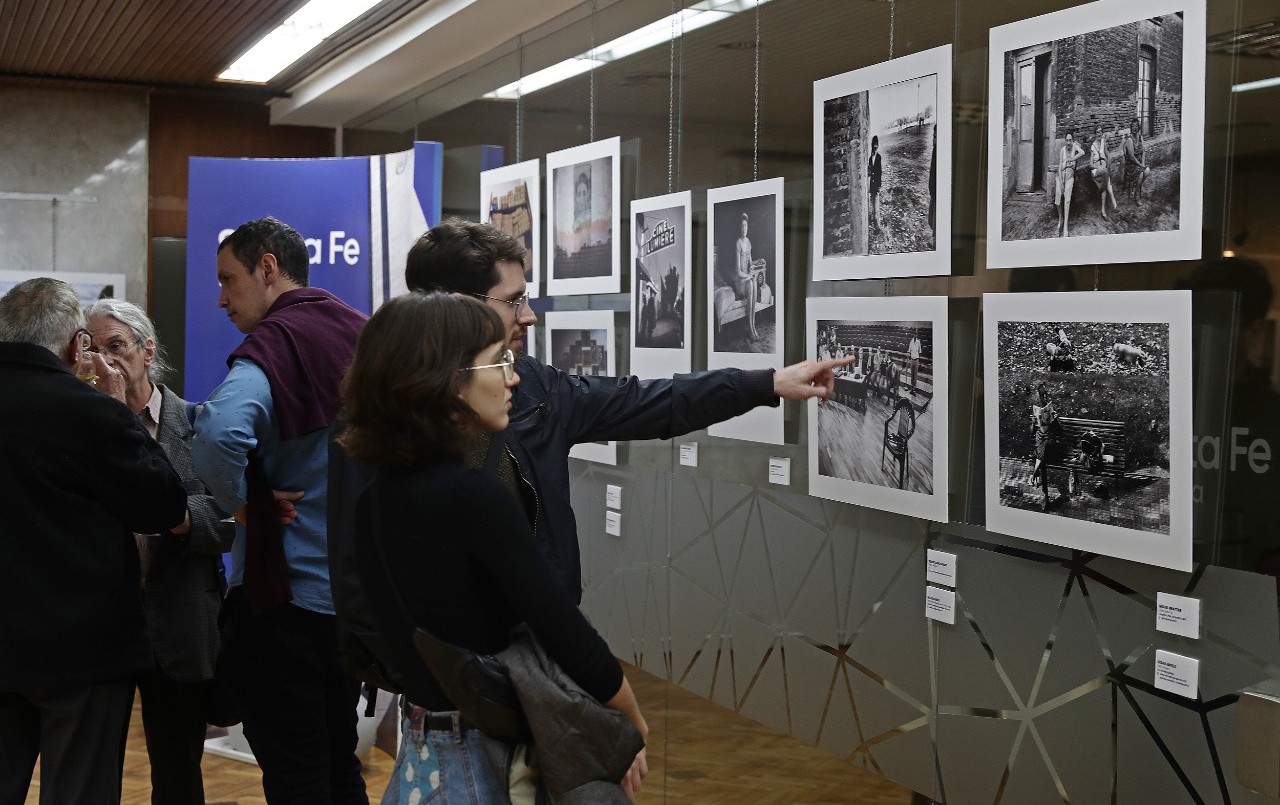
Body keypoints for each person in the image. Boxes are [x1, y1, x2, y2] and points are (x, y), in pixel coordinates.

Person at [342, 292, 648, 803]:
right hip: (479, 761)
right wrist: (629, 716)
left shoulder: (373, 500)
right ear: (446, 381)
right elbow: (560, 627)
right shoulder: (471, 495)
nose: (512, 379)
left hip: (422, 758)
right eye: (497, 362)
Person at [192, 216, 370, 804]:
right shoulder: (364, 334)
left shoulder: (273, 345)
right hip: (350, 601)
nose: (221, 299)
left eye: (228, 280)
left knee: (297, 781)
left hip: (282, 601)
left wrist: (245, 506)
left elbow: (217, 433)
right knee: (341, 766)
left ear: (267, 268)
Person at [0, 278, 187, 805]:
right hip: (82, 651)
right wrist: (119, 411)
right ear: (74, 345)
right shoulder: (90, 411)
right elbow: (163, 505)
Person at [87, 298, 235, 805]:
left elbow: (227, 521)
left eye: (116, 345)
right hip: (101, 630)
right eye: (92, 349)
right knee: (92, 774)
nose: (105, 360)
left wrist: (175, 515)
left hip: (179, 622)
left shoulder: (198, 424)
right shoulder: (82, 428)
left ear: (148, 351)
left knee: (178, 777)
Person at [1030, 382, 1060, 510]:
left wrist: (1055, 420)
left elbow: (1061, 432)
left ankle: (1034, 475)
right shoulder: (1037, 411)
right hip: (1040, 444)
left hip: (1050, 445)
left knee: (1043, 450)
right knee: (1042, 455)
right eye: (1042, 394)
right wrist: (1033, 422)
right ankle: (1046, 497)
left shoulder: (1051, 409)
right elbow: (1032, 432)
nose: (1044, 397)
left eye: (1045, 394)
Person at [734, 212, 760, 340]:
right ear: (740, 228)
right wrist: (749, 276)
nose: (744, 228)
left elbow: (751, 264)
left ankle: (753, 326)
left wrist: (757, 265)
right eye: (742, 226)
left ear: (748, 227)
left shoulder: (748, 242)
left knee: (753, 282)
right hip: (740, 282)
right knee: (750, 283)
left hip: (748, 280)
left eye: (746, 226)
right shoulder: (738, 243)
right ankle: (750, 328)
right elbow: (738, 272)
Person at [1056, 130, 1085, 237]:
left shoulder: (1074, 147)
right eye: (1067, 140)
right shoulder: (1062, 150)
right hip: (1060, 176)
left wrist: (1072, 158)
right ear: (1065, 140)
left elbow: (1082, 153)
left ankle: (1065, 226)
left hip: (1069, 177)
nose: (1068, 142)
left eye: (1070, 140)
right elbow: (1059, 166)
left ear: (1072, 140)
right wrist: (1060, 181)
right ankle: (1061, 219)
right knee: (1058, 196)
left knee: (1067, 199)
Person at [1090, 124, 1119, 222]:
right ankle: (1114, 201)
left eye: (1100, 132)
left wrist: (1108, 166)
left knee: (1105, 183)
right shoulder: (1093, 146)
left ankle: (1103, 212)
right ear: (1095, 134)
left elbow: (1109, 156)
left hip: (1105, 170)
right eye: (1097, 132)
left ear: (1102, 133)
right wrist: (1100, 167)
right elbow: (1090, 164)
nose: (1099, 134)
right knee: (1105, 173)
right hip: (1096, 171)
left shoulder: (1103, 142)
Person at [1123, 117, 1149, 205]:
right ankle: (1137, 195)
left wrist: (1143, 163)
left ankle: (1136, 187)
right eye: (1133, 126)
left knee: (1147, 171)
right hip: (1131, 165)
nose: (1135, 128)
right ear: (1131, 128)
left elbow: (1143, 151)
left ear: (1139, 127)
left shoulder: (1140, 137)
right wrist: (1141, 166)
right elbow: (1132, 157)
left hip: (1139, 164)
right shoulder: (1129, 139)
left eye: (1136, 126)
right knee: (1141, 174)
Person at [868, 134, 883, 232]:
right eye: (874, 144)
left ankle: (878, 226)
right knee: (872, 204)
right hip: (871, 184)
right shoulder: (870, 158)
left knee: (876, 205)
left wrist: (879, 186)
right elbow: (870, 171)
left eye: (877, 144)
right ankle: (873, 221)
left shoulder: (879, 157)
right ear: (872, 145)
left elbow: (879, 172)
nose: (875, 146)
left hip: (876, 184)